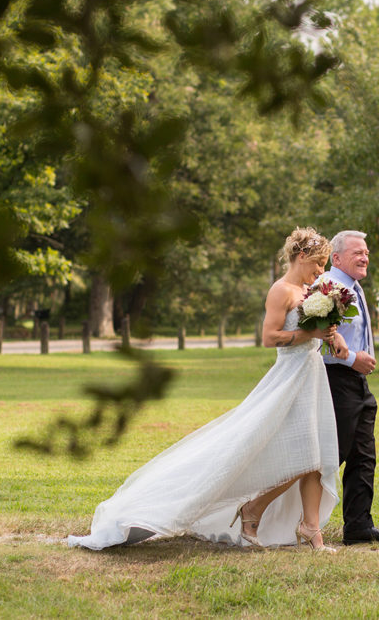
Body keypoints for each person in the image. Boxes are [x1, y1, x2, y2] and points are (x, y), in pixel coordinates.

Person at [68, 227, 346, 552]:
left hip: (312, 375)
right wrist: (306, 336)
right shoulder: (281, 290)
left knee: (316, 457)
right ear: (301, 257)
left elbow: (317, 329)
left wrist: (331, 335)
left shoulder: (312, 291)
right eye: (318, 263)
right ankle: (253, 509)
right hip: (288, 378)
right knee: (303, 454)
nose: (321, 271)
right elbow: (269, 338)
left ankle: (311, 530)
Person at [321, 230, 379, 545]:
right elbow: (319, 340)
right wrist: (353, 358)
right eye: (357, 252)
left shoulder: (355, 287)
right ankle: (288, 518)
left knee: (363, 454)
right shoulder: (328, 287)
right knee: (331, 455)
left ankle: (358, 526)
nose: (365, 257)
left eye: (366, 252)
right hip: (336, 380)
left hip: (358, 382)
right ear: (336, 257)